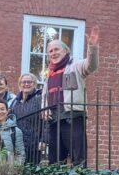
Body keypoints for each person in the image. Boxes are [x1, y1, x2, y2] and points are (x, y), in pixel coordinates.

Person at [42, 26, 100, 165]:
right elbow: (45, 95)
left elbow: (91, 65)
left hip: (73, 116)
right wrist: (44, 109)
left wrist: (92, 48)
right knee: (55, 160)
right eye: (50, 51)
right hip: (54, 119)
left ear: (66, 51)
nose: (53, 53)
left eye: (56, 49)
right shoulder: (49, 74)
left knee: (78, 158)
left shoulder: (75, 65)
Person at [10, 73, 43, 163]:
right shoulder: (15, 102)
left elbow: (46, 121)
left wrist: (44, 140)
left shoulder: (40, 99)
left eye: (29, 82)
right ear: (20, 84)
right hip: (18, 144)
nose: (26, 84)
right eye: (24, 82)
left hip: (35, 144)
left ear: (34, 84)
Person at [0, 99, 25, 164]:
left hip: (9, 168)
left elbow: (20, 155)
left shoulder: (15, 131)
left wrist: (14, 168)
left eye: (2, 109)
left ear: (7, 111)